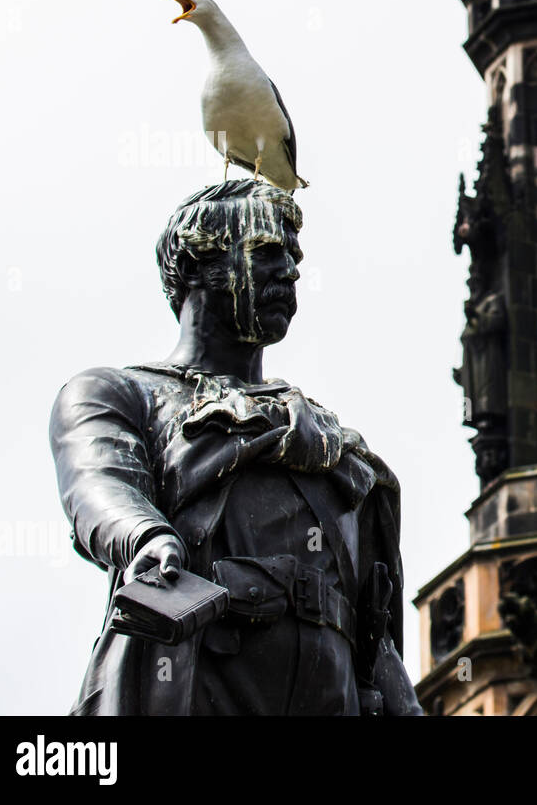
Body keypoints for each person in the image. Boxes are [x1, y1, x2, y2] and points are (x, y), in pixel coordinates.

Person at [49, 180, 422, 715]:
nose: (290, 271)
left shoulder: (334, 446)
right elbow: (99, 485)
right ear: (194, 265)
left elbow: (373, 634)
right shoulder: (120, 393)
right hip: (190, 681)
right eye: (266, 251)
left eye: (294, 258)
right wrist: (146, 536)